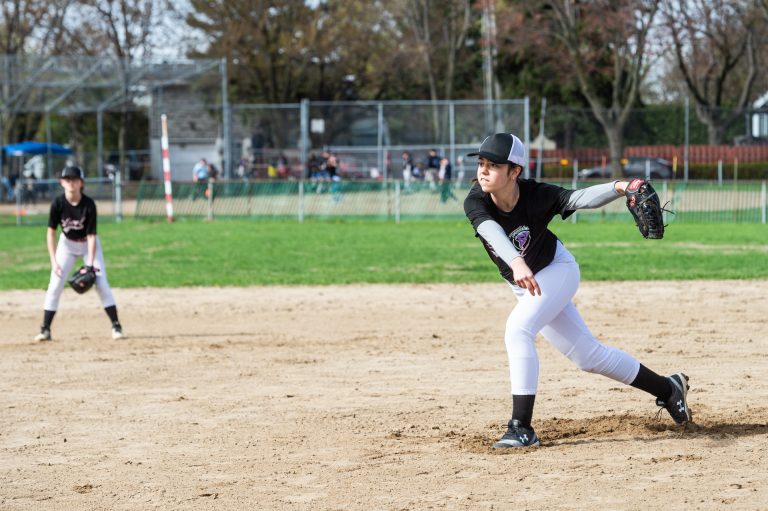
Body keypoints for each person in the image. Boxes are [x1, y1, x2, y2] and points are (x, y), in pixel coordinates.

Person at [463, 133, 691, 449]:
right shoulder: (476, 200)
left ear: (515, 171)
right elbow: (489, 230)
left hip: (557, 271)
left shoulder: (536, 195)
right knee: (588, 357)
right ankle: (669, 389)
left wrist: (620, 187)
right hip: (526, 283)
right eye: (481, 163)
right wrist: (516, 261)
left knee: (517, 329)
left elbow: (578, 198)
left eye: (494, 165)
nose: (483, 171)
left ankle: (521, 428)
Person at [34, 165, 123, 342]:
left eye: (74, 179)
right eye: (67, 179)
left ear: (81, 183)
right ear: (61, 182)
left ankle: (116, 325)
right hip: (66, 245)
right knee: (55, 284)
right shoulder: (58, 204)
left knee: (101, 283)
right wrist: (54, 262)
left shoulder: (88, 205)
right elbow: (51, 233)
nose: (71, 182)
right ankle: (45, 329)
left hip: (88, 245)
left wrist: (90, 265)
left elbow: (91, 236)